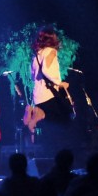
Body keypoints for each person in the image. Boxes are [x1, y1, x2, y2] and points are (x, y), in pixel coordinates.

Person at [30, 25, 72, 157]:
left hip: (38, 97)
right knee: (63, 126)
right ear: (53, 38)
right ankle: (62, 161)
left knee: (49, 131)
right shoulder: (51, 51)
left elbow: (33, 76)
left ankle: (47, 160)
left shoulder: (37, 55)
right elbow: (47, 71)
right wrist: (60, 83)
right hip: (49, 95)